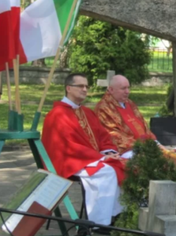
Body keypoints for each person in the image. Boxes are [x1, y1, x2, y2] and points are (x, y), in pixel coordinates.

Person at [41, 73, 125, 227]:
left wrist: (108, 152)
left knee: (122, 165)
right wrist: (98, 158)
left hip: (88, 159)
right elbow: (67, 146)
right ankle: (99, 223)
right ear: (68, 88)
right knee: (106, 172)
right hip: (68, 161)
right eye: (80, 86)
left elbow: (103, 136)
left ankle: (116, 216)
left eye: (86, 86)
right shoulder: (57, 115)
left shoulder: (87, 112)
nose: (85, 89)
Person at [95, 75, 159, 158]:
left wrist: (153, 141)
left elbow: (143, 125)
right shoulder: (104, 108)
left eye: (128, 88)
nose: (127, 91)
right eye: (123, 88)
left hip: (143, 146)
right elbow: (112, 133)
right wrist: (140, 146)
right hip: (125, 150)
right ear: (111, 89)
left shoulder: (130, 103)